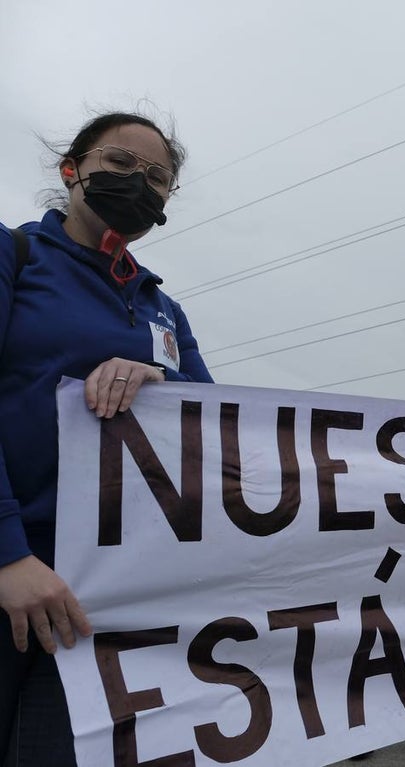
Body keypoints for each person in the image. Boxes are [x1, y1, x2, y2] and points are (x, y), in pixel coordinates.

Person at [0, 111, 212, 765]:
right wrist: (8, 554)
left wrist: (159, 377)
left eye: (158, 177)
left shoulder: (163, 307)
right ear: (72, 170)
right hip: (14, 576)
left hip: (103, 602)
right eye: (120, 163)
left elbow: (219, 426)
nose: (139, 183)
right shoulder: (16, 255)